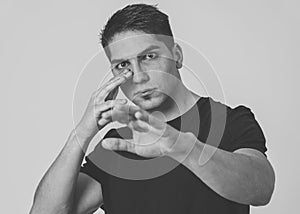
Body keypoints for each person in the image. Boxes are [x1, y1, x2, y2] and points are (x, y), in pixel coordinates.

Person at [29, 3, 275, 214]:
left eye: (149, 57)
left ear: (176, 55)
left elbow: (261, 188)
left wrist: (180, 146)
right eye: (123, 65)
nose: (138, 77)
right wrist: (81, 134)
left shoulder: (229, 120)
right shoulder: (118, 144)